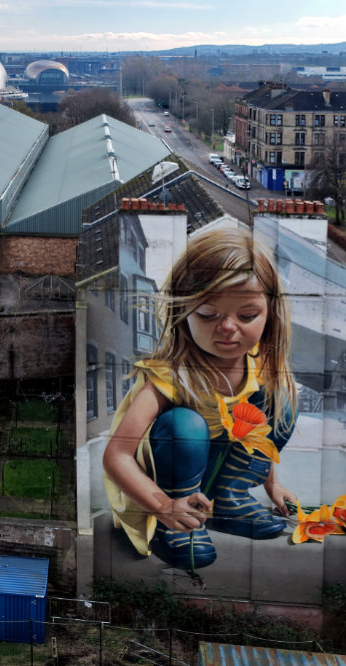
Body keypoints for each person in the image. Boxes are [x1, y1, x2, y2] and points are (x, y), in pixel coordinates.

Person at [103, 226, 298, 571]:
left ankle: (230, 498)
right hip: (161, 485)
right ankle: (175, 524)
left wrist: (273, 485)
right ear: (184, 313)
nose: (228, 327)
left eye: (247, 316)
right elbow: (116, 455)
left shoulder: (258, 370)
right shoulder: (173, 376)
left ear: (270, 316)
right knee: (186, 425)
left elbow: (257, 433)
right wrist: (164, 506)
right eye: (208, 314)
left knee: (281, 401)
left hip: (210, 472)